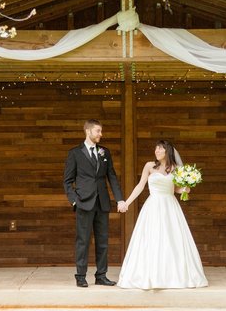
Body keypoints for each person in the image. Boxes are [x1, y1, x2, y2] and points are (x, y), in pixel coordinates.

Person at [117, 140, 207, 290]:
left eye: (160, 149)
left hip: (170, 206)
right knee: (152, 238)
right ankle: (149, 276)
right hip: (153, 206)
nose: (157, 151)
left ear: (167, 151)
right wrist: (127, 202)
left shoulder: (176, 168)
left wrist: (186, 189)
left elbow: (177, 189)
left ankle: (173, 276)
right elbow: (140, 186)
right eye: (156, 148)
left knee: (172, 239)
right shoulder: (149, 166)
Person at [63, 119, 126, 287]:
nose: (101, 134)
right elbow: (68, 181)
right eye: (98, 131)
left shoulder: (105, 152)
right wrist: (74, 201)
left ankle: (101, 275)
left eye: (101, 131)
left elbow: (112, 177)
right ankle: (81, 276)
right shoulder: (75, 153)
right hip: (83, 203)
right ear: (88, 131)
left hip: (102, 202)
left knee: (103, 241)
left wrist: (119, 198)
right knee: (82, 240)